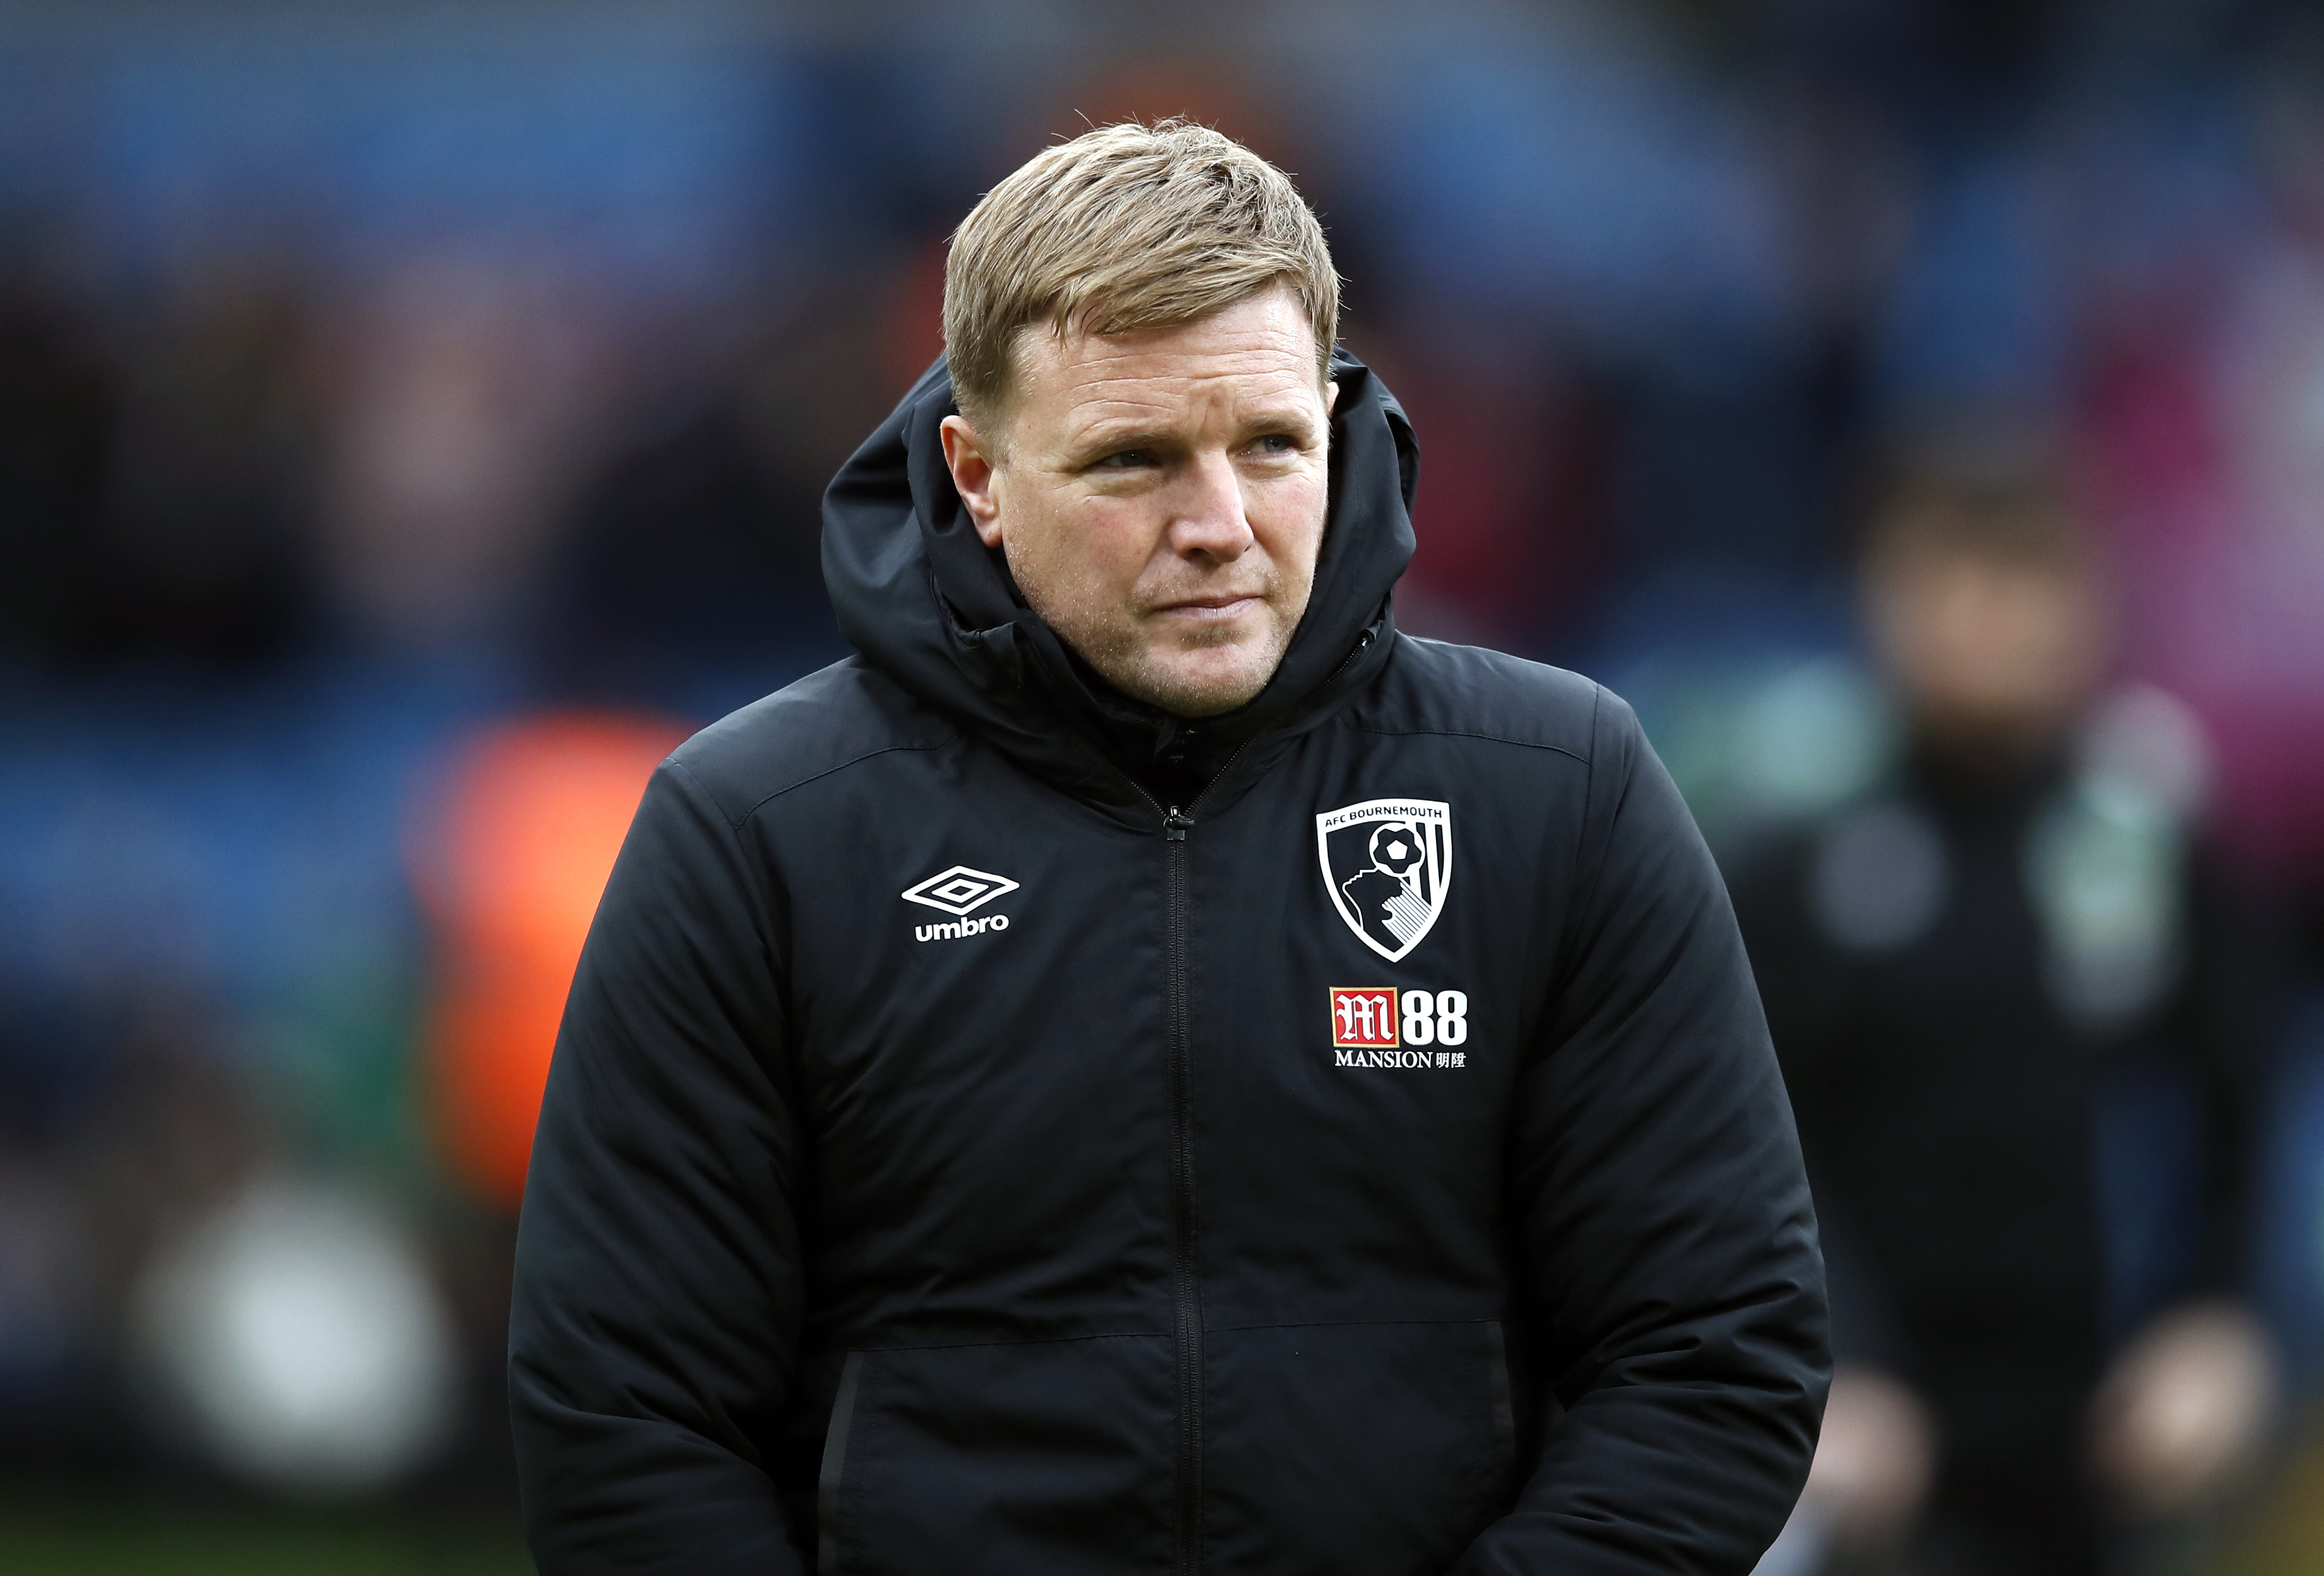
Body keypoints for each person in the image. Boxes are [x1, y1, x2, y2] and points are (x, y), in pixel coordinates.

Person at [508, 120, 1827, 1575]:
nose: (1218, 523)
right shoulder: (760, 828)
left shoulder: (1555, 791)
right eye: (1132, 460)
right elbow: (625, 1407)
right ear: (979, 473)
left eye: (1270, 445)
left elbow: (1713, 1350)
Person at [1732, 448, 2282, 1576]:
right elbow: (1743, 1130)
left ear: (2090, 600)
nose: (1982, 617)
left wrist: (2216, 1322)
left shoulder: (2149, 835)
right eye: (1947, 574)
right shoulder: (1799, 845)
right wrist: (1820, 1363)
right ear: (1879, 594)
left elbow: (2238, 1106)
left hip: (2102, 1432)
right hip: (1861, 1434)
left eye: (2022, 575)